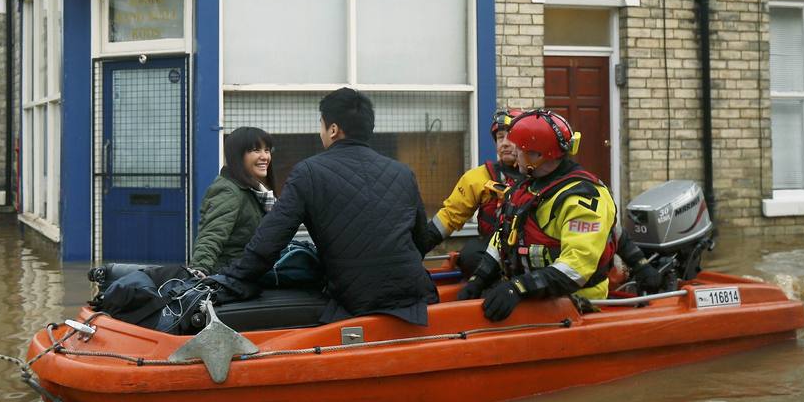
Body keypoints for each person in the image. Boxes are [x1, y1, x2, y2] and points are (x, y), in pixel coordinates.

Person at [209, 88, 439, 325]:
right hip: (415, 297)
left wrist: (230, 278)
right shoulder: (403, 173)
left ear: (333, 129)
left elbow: (270, 240)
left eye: (322, 124)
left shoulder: (309, 172)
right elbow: (420, 242)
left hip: (354, 300)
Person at [464, 109, 621, 321]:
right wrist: (479, 279)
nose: (514, 153)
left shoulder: (583, 199)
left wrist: (519, 287)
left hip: (575, 305)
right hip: (533, 295)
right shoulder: (526, 186)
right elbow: (503, 235)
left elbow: (576, 268)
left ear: (537, 156)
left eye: (520, 149)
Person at [424, 106, 524, 271]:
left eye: (510, 137)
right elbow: (449, 217)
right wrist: (417, 247)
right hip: (492, 253)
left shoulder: (540, 176)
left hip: (530, 253)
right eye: (500, 138)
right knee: (470, 255)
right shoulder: (477, 177)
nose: (505, 143)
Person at [190, 126, 277, 275]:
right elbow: (212, 234)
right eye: (256, 150)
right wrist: (199, 269)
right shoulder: (229, 190)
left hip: (249, 272)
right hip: (230, 275)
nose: (265, 156)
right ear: (237, 156)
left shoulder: (256, 190)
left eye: (267, 150)